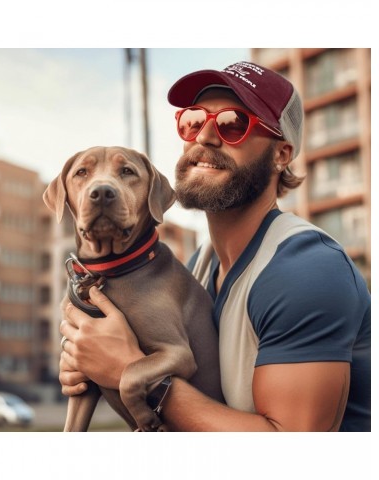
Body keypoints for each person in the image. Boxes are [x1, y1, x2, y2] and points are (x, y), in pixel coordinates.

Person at [59, 61, 371, 432]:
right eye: (193, 121)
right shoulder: (198, 267)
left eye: (232, 124)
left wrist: (130, 369)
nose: (205, 136)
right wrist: (90, 363)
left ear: (281, 154)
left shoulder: (306, 270)